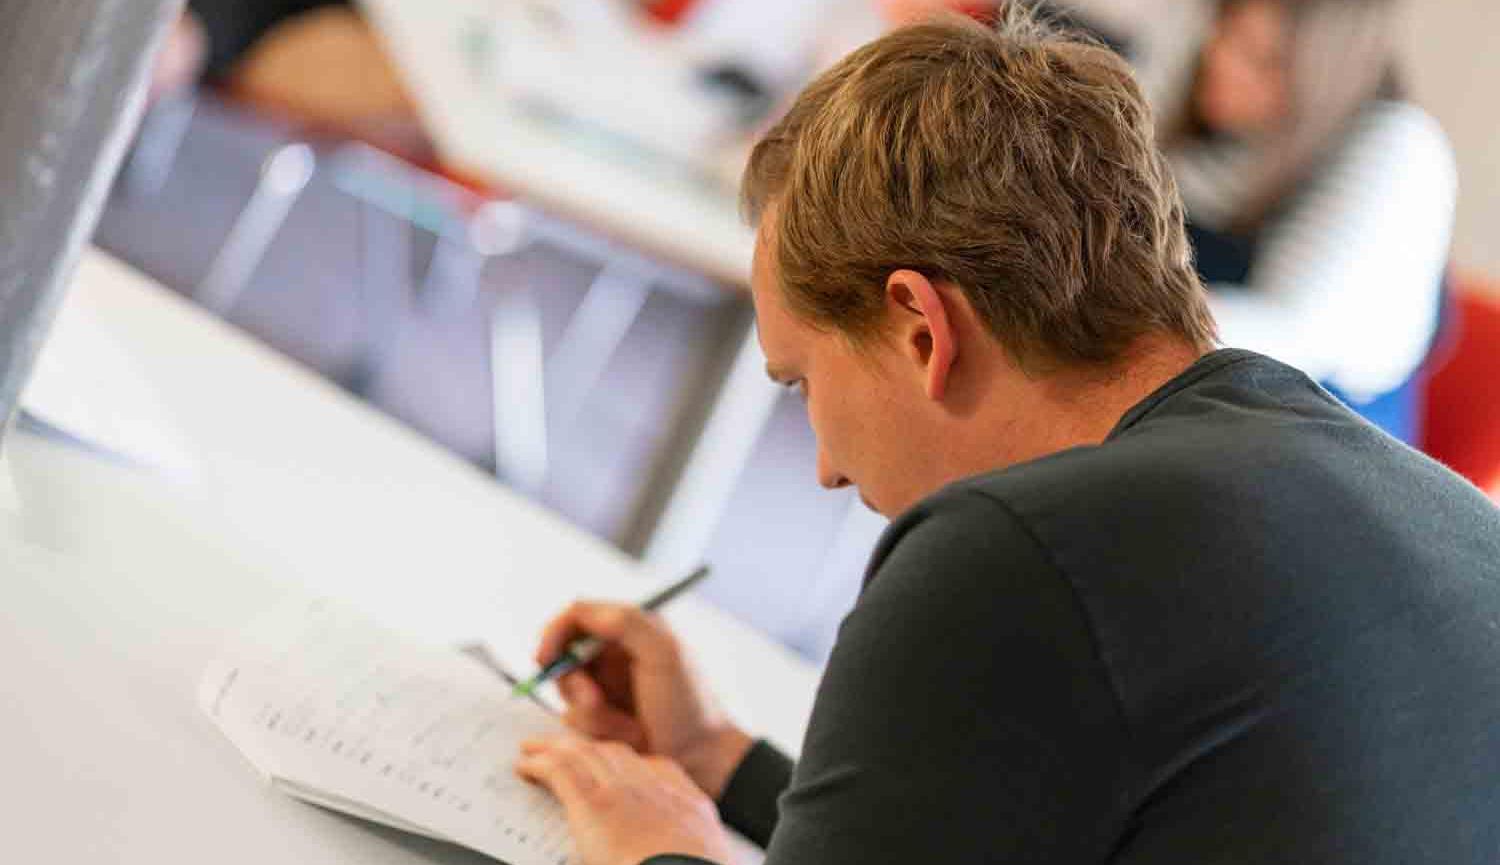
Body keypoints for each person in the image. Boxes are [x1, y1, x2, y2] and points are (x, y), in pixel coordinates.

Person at [513, 7, 1500, 865]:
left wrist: (658, 846)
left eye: (802, 381)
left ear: (921, 329)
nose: (821, 466)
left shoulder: (1019, 547)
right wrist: (718, 763)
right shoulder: (1443, 518)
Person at [1154, 0, 1457, 443]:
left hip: (1316, 442)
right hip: (1200, 408)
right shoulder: (1212, 134)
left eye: (1261, 59)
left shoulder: (1399, 151)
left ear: (1320, 73)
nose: (1217, 58)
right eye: (1223, 31)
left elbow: (1292, 336)